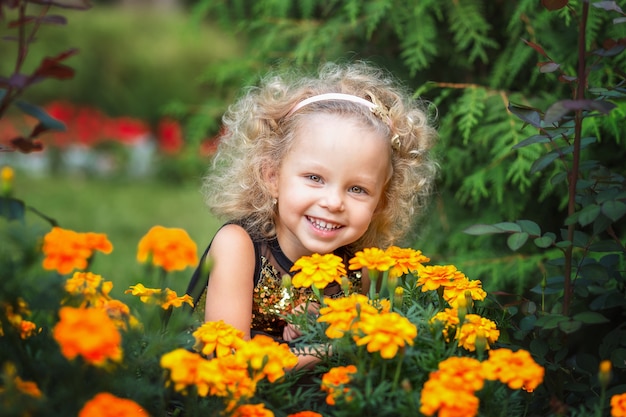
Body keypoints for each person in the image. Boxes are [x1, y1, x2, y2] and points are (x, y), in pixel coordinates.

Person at [186, 61, 438, 368]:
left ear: (382, 202)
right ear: (272, 176)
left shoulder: (365, 266)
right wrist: (333, 348)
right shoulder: (238, 247)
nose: (333, 202)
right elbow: (231, 365)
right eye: (315, 178)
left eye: (357, 189)